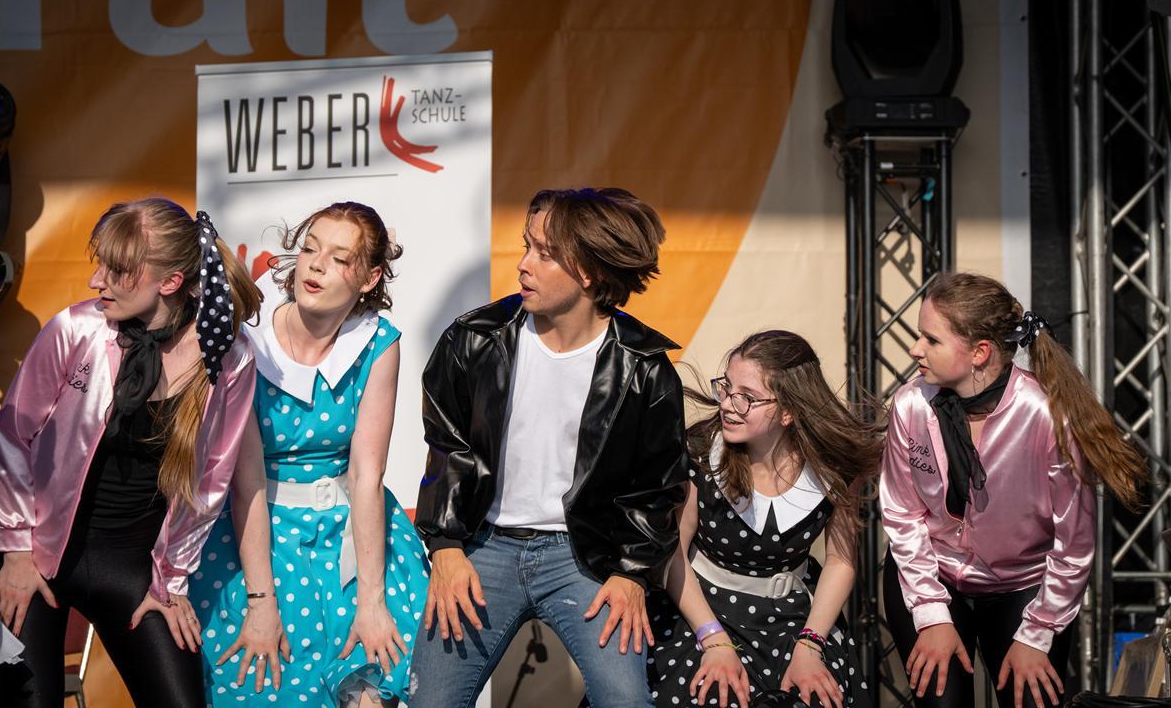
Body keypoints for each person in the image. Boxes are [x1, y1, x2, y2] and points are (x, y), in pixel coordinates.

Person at [408, 187, 688, 707]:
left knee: (626, 701)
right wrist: (445, 548)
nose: (523, 264)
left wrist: (630, 575)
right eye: (526, 245)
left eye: (544, 253)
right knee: (431, 702)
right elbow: (447, 448)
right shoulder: (474, 339)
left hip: (587, 557)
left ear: (590, 272)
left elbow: (657, 486)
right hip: (484, 547)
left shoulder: (645, 368)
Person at [0, 197, 261, 707]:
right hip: (33, 552)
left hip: (132, 566)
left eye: (117, 270)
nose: (97, 281)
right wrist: (15, 550)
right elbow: (12, 438)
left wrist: (172, 578)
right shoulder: (76, 329)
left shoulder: (227, 354)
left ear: (170, 282)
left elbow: (211, 479)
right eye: (101, 265)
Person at [191, 202, 428, 707]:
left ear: (369, 278)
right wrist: (261, 602)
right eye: (310, 249)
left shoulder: (378, 343)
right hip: (258, 536)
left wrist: (371, 600)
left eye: (339, 258)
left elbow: (366, 475)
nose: (316, 265)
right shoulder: (245, 342)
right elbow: (247, 482)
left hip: (354, 536)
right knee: (268, 681)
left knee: (372, 680)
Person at [880, 271, 1148, 708]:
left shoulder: (1047, 417)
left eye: (931, 339)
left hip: (1024, 588)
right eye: (918, 336)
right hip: (932, 573)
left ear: (980, 352)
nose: (915, 349)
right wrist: (931, 614)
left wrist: (1037, 633)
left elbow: (1074, 544)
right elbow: (902, 514)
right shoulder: (910, 404)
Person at [647, 330, 880, 708]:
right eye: (726, 387)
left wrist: (810, 644)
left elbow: (841, 562)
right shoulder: (701, 451)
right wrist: (714, 641)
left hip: (796, 621)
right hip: (702, 612)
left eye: (747, 397)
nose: (727, 404)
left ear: (788, 411)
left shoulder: (834, 468)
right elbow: (674, 554)